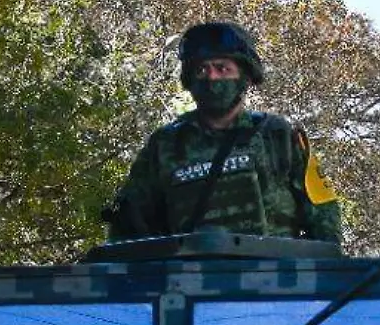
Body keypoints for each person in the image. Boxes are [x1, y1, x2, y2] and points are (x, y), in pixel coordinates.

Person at [103, 21, 341, 243]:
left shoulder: (278, 135)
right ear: (190, 78)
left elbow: (324, 219)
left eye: (222, 68)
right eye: (202, 70)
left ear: (244, 76)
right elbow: (128, 230)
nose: (212, 77)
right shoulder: (165, 145)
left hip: (275, 282)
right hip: (190, 283)